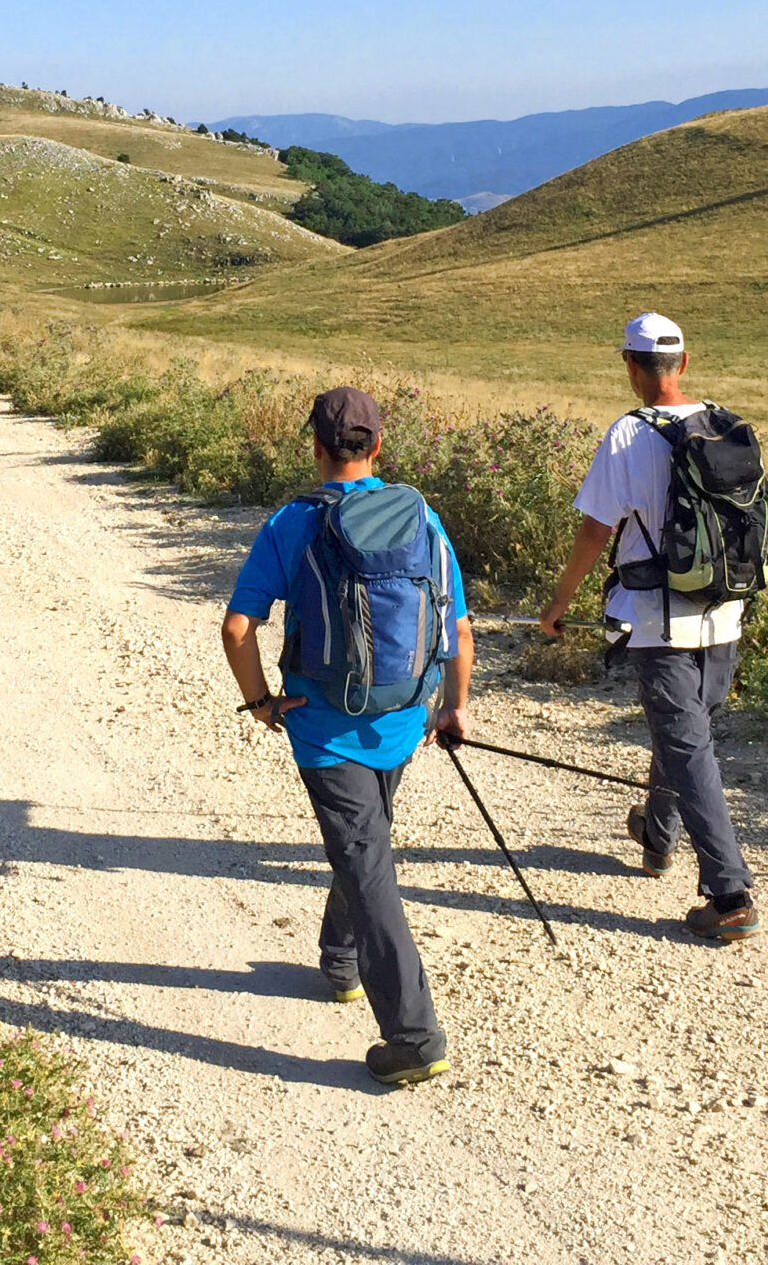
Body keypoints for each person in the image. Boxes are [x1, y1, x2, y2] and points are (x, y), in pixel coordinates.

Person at [221, 385, 474, 1085]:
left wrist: (263, 703)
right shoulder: (422, 516)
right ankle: (341, 960)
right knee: (366, 844)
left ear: (316, 447)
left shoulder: (291, 523)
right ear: (379, 447)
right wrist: (453, 708)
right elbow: (456, 627)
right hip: (403, 713)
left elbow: (238, 629)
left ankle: (414, 1038)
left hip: (324, 726)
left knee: (366, 859)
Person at [534, 312, 760, 942]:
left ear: (630, 367)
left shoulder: (628, 436)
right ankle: (658, 839)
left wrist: (557, 604)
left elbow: (594, 531)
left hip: (661, 622)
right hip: (725, 613)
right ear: (683, 364)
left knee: (688, 748)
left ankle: (730, 893)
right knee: (686, 734)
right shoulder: (725, 424)